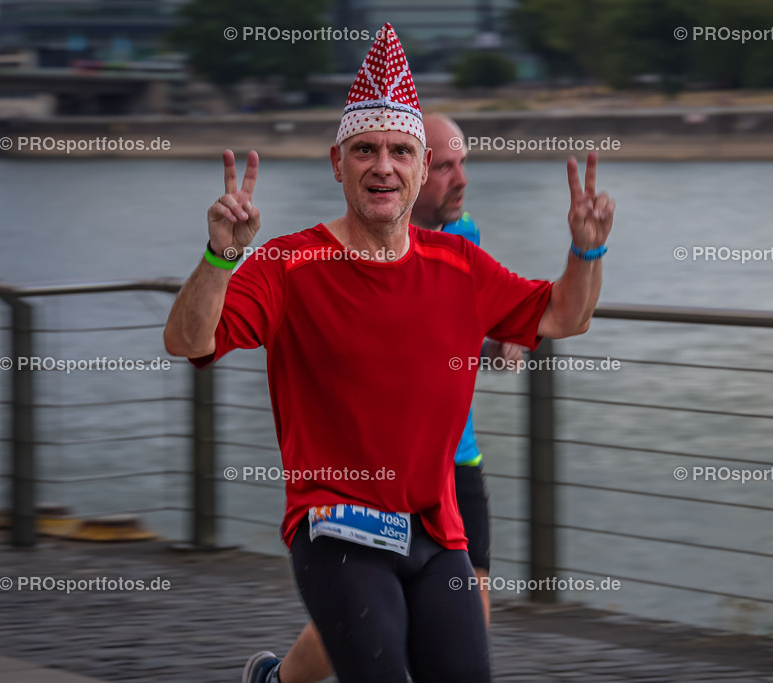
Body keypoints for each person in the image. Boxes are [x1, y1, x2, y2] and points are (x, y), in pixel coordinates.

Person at [163, 22, 614, 683]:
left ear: (421, 167)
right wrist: (221, 255)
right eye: (366, 149)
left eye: (401, 151)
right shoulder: (289, 263)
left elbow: (564, 316)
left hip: (437, 534)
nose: (383, 166)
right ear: (337, 162)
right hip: (336, 527)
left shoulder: (461, 263)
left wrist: (587, 249)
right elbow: (187, 339)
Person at [240, 112, 511, 683]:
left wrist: (494, 339)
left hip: (452, 465)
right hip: (357, 485)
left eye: (463, 163)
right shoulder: (320, 258)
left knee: (462, 613)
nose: (459, 179)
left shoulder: (466, 240)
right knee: (366, 618)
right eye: (448, 166)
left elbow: (449, 321)